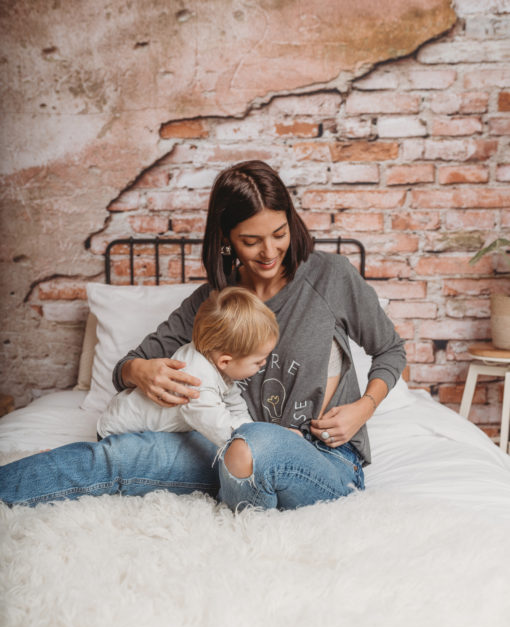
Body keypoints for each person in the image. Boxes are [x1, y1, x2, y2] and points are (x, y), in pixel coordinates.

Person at [0, 159, 406, 510]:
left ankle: (247, 520)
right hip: (224, 450)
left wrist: (364, 407)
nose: (269, 251)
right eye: (251, 240)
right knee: (116, 455)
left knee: (254, 442)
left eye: (279, 233)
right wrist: (140, 371)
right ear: (227, 240)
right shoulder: (214, 302)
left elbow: (390, 351)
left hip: (324, 459)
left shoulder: (330, 276)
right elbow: (127, 365)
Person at [97, 286, 279, 448]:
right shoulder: (196, 379)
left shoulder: (213, 360)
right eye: (258, 361)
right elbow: (218, 426)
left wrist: (253, 429)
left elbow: (235, 404)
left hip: (143, 427)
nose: (264, 363)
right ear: (225, 361)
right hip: (119, 432)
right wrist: (258, 442)